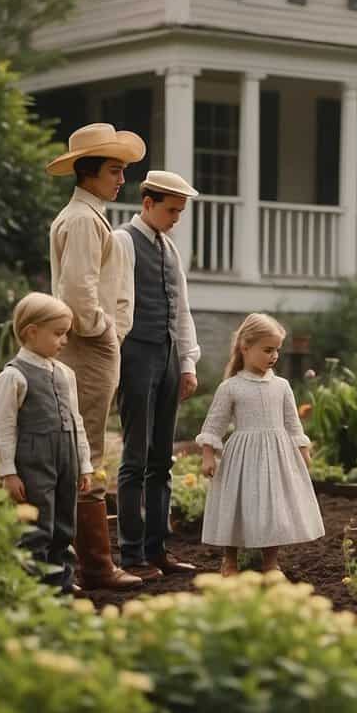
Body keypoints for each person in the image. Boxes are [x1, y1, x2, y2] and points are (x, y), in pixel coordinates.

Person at [46, 122, 146, 591]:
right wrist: (103, 330)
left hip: (91, 344)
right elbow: (77, 290)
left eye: (123, 169)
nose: (121, 177)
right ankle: (95, 566)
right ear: (87, 172)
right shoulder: (84, 219)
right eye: (113, 169)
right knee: (88, 447)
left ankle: (85, 564)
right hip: (87, 347)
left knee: (84, 445)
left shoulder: (86, 215)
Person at [110, 171, 203, 580]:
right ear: (147, 203)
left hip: (166, 355)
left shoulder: (169, 249)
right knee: (134, 458)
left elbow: (181, 308)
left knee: (162, 459)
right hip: (135, 354)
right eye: (171, 210)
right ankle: (131, 556)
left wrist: (187, 363)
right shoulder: (121, 242)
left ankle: (157, 549)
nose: (176, 219)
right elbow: (113, 302)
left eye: (180, 212)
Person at [196, 313, 325, 576]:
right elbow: (214, 424)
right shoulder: (231, 387)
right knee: (235, 505)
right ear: (245, 347)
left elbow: (292, 423)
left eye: (277, 350)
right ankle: (229, 561)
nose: (274, 356)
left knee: (273, 507)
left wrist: (303, 450)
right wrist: (208, 455)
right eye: (268, 350)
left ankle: (271, 563)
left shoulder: (282, 386)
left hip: (276, 457)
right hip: (242, 457)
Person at [0, 293, 92, 593]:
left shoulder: (65, 373)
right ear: (31, 332)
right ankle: (36, 584)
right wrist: (8, 472)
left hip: (66, 457)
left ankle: (62, 579)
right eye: (58, 334)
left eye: (66, 334)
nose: (64, 341)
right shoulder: (13, 376)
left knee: (64, 522)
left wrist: (84, 464)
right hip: (34, 461)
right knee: (38, 524)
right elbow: (4, 428)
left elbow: (76, 421)